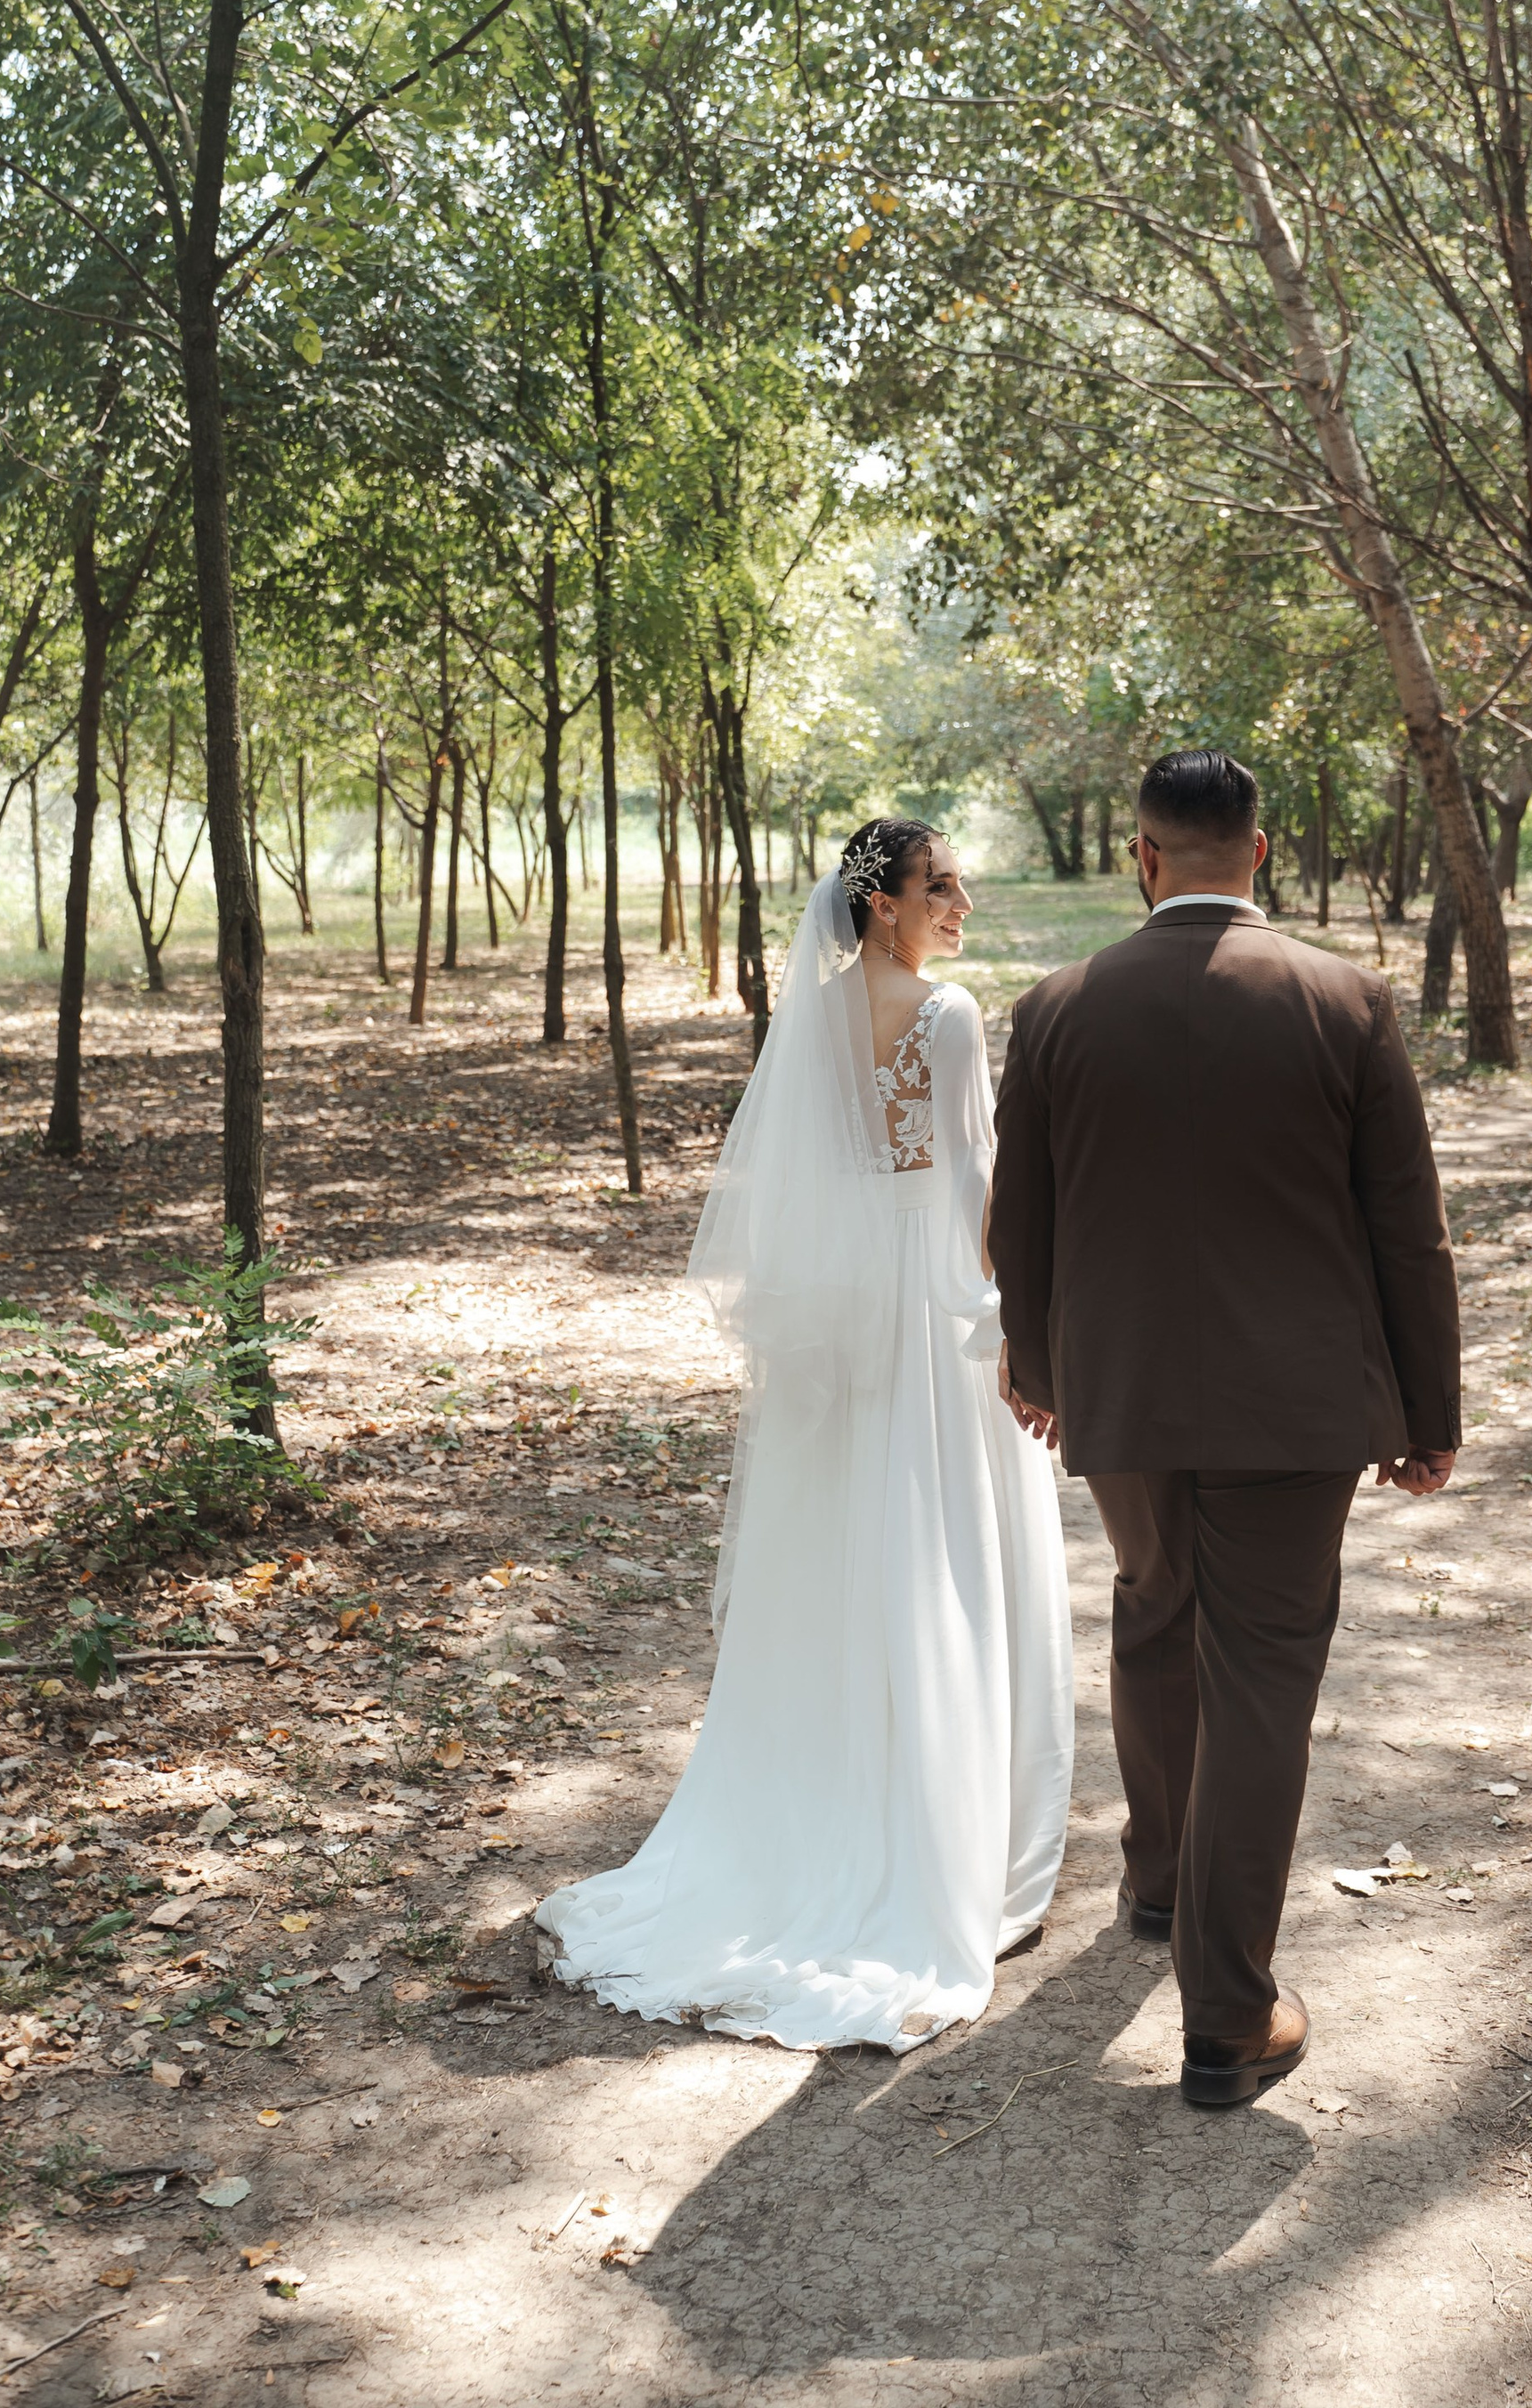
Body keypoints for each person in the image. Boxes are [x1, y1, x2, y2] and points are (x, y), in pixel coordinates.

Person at [535, 819, 1074, 2050]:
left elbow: (805, 1184)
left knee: (847, 1560)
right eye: (940, 887)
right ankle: (939, 1844)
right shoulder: (944, 1016)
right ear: (880, 904)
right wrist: (1015, 1321)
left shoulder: (814, 1017)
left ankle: (828, 1806)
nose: (962, 904)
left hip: (842, 1326)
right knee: (938, 1557)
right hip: (930, 1311)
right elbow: (977, 1190)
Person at [988, 747, 1459, 2109]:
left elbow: (1023, 1220)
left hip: (1120, 1395)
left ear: (1143, 856)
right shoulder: (1346, 1000)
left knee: (1152, 1607)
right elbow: (1405, 1233)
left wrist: (1038, 1364)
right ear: (1260, 854)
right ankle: (1229, 2015)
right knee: (1262, 1674)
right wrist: (1429, 1411)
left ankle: (1157, 1885)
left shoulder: (1058, 1006)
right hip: (1295, 1408)